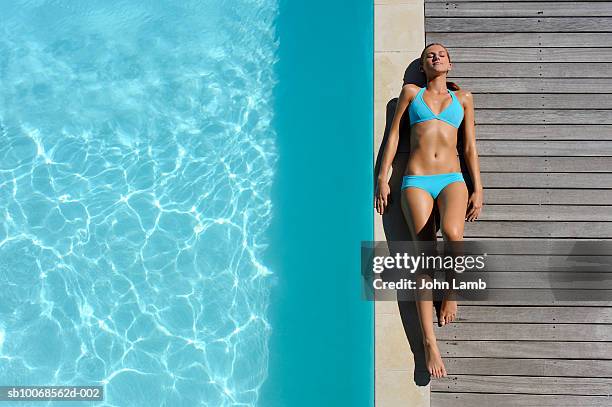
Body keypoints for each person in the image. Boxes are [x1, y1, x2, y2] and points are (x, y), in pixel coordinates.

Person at [375, 43, 484, 378]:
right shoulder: (410, 93)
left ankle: (450, 290)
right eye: (428, 56)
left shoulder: (464, 98)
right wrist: (382, 176)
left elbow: (468, 146)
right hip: (417, 181)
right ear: (423, 67)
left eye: (440, 54)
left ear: (450, 63)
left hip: (452, 178)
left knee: (452, 235)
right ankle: (428, 342)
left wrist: (478, 187)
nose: (435, 58)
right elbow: (393, 137)